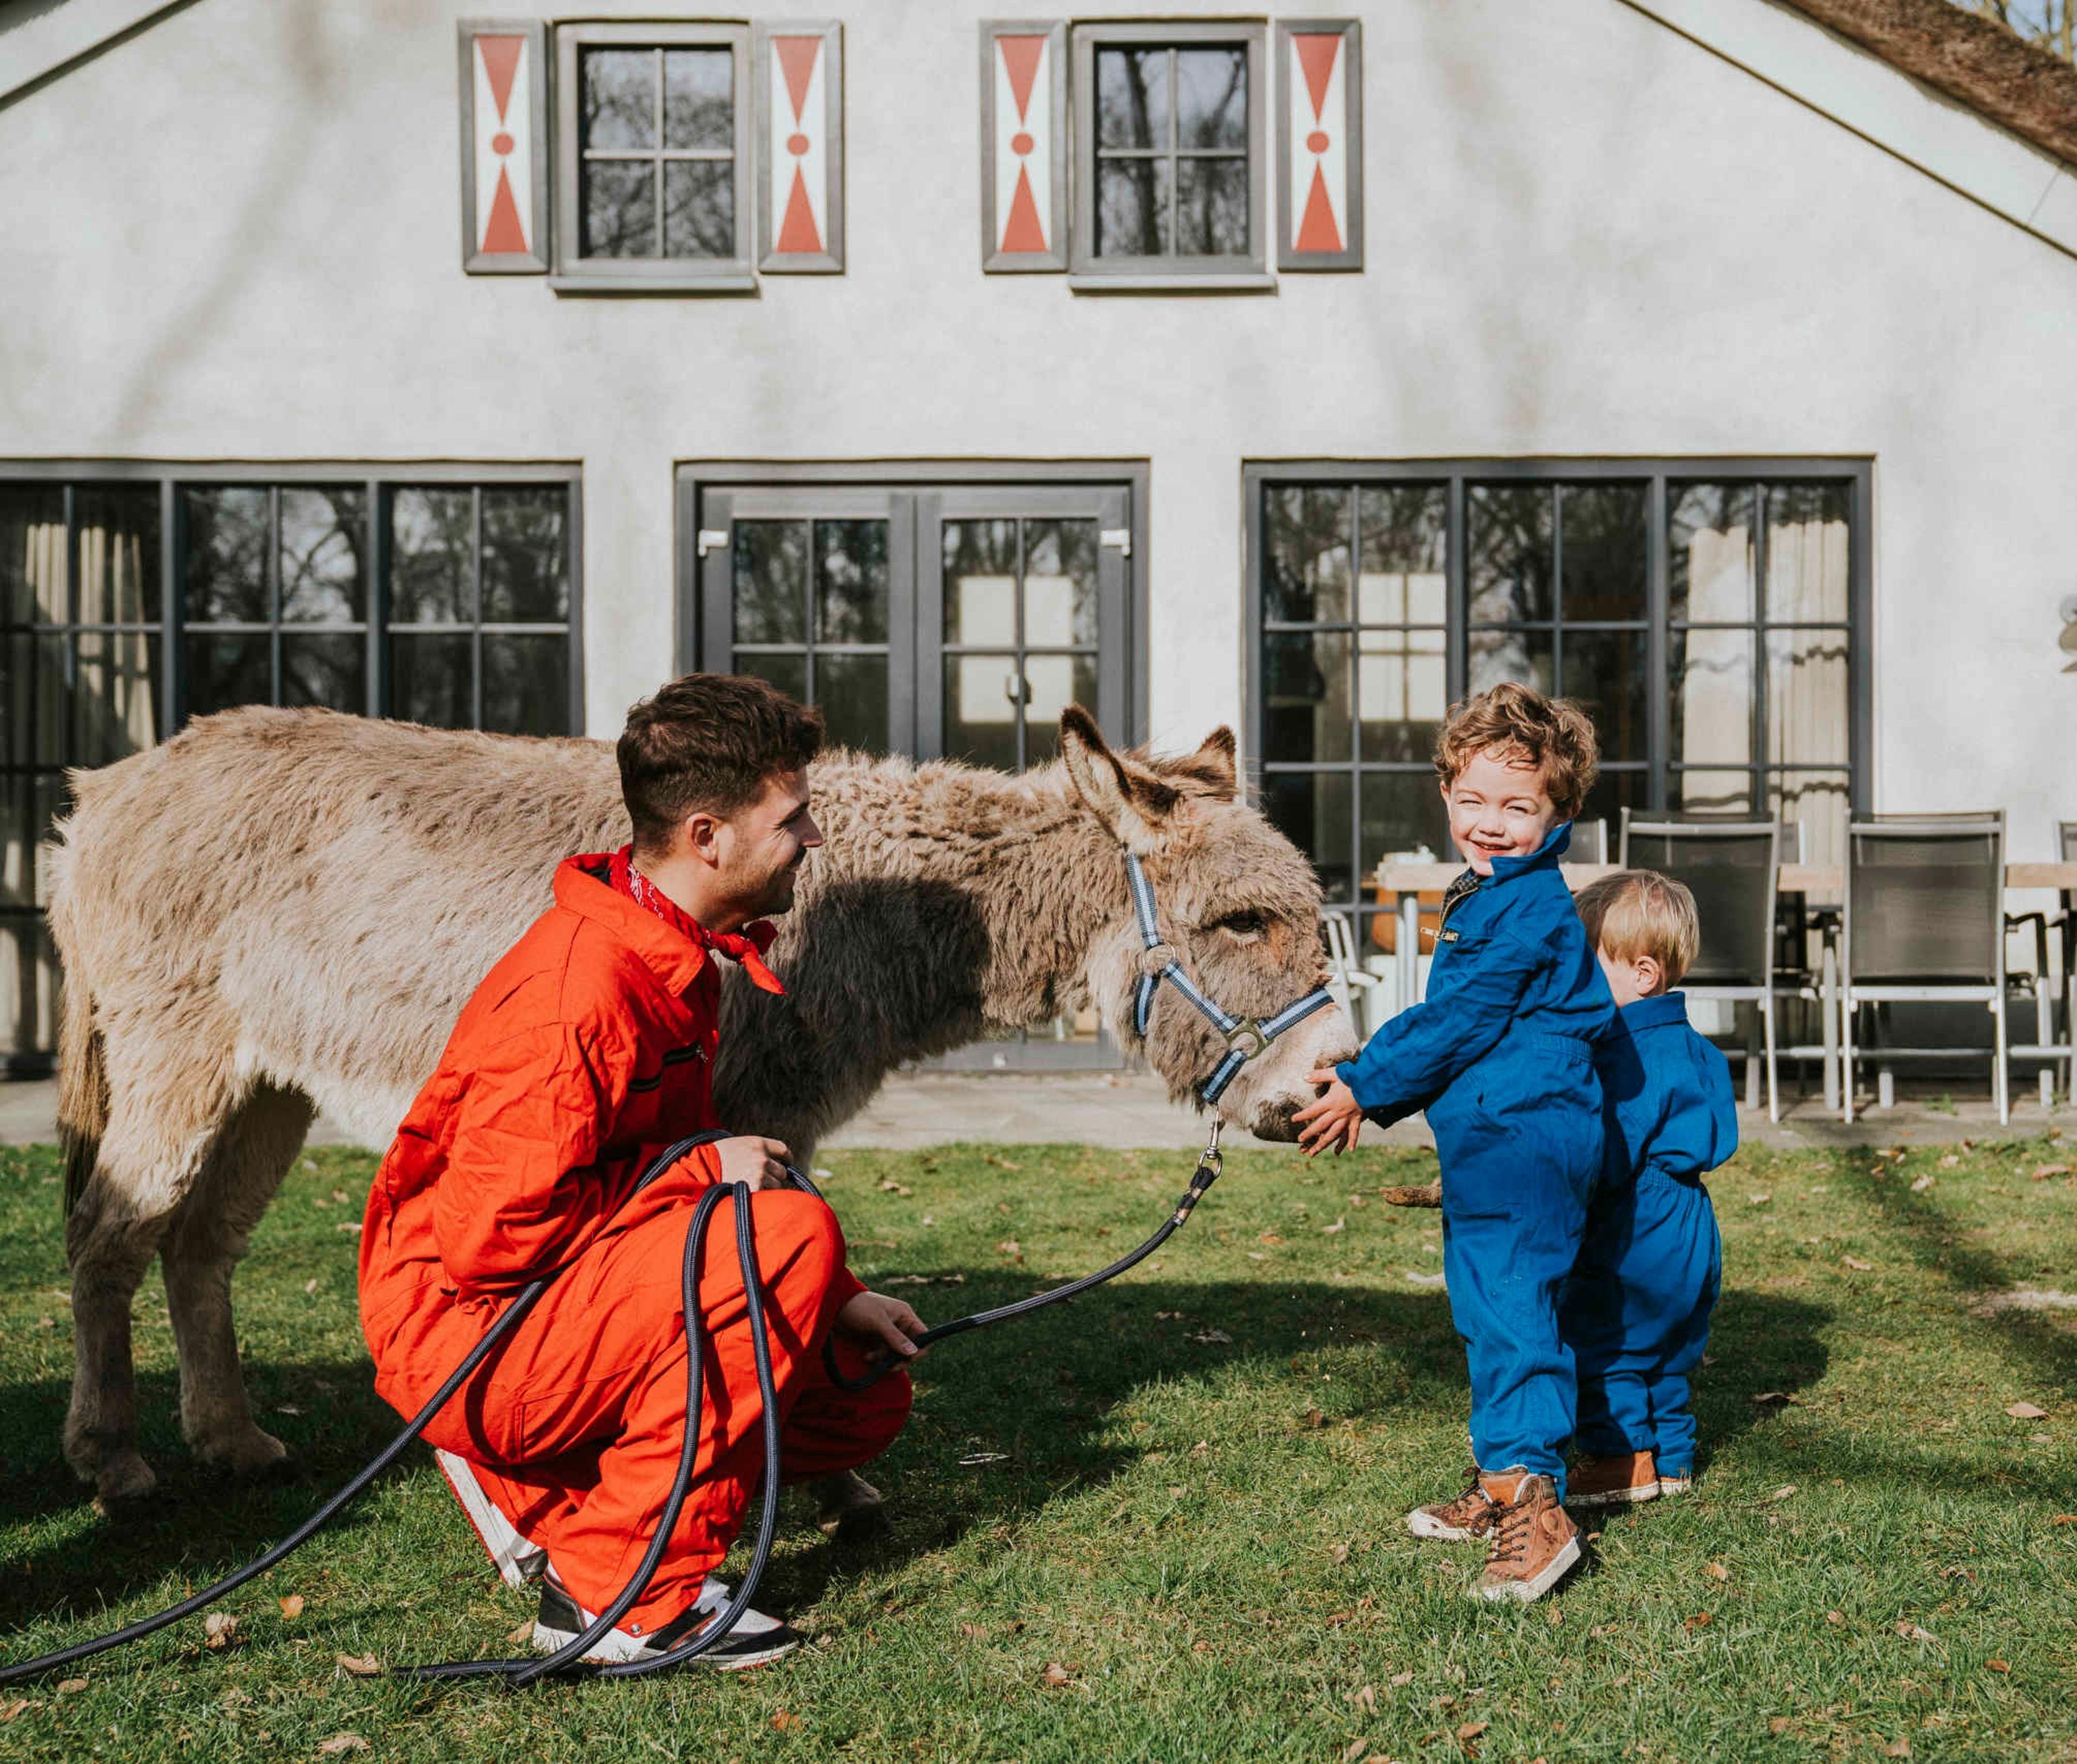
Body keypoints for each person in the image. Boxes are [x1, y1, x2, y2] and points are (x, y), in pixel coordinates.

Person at [357, 673, 923, 1669]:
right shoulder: (580, 988)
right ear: (709, 837)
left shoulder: (664, 953)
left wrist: (837, 1302)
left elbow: (645, 1166)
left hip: (539, 1311)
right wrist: (703, 1171)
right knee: (784, 1234)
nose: (815, 840)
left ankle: (562, 1491)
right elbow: (494, 1241)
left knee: (857, 1390)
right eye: (794, 820)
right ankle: (616, 1591)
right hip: (471, 1333)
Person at [1293, 682, 1614, 1604]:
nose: (1492, 822)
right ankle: (1501, 1482)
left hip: (1530, 1143)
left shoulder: (1528, 909)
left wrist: (1365, 1083)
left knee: (1514, 1315)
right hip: (1493, 1139)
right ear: (1445, 796)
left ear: (1561, 812)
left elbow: (1458, 1020)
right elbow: (1458, 1024)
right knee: (1487, 1310)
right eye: (1473, 801)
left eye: (1520, 807)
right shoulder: (1487, 893)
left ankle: (1537, 1512)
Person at [1560, 870, 1737, 1507]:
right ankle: (1674, 1459)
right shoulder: (1698, 1049)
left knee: (1606, 1339)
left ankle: (1619, 1459)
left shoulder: (1628, 1056)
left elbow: (1609, 1150)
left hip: (1638, 1219)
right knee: (1666, 1346)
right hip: (1691, 1219)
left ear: (1643, 974)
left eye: (1589, 970)